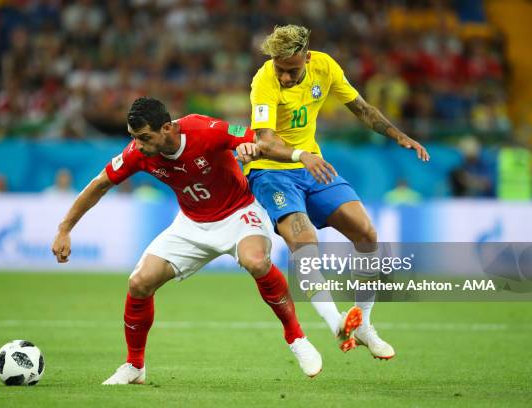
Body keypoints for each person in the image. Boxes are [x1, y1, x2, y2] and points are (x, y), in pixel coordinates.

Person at [51, 97, 358, 384]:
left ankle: (296, 338)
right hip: (191, 224)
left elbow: (252, 137)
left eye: (144, 137)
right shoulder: (138, 154)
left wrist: (251, 148)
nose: (138, 145)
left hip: (239, 213)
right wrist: (65, 229)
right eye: (134, 137)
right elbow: (99, 184)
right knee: (139, 282)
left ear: (167, 128)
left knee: (257, 261)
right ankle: (134, 366)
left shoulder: (204, 128)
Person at [238, 25, 430, 360]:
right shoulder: (263, 80)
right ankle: (335, 322)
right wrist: (302, 155)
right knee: (304, 240)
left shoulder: (325, 66)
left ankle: (365, 324)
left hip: (312, 167)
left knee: (367, 233)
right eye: (280, 70)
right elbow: (265, 143)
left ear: (307, 58)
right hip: (271, 172)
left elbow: (363, 109)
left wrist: (399, 136)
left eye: (292, 71)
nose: (284, 78)